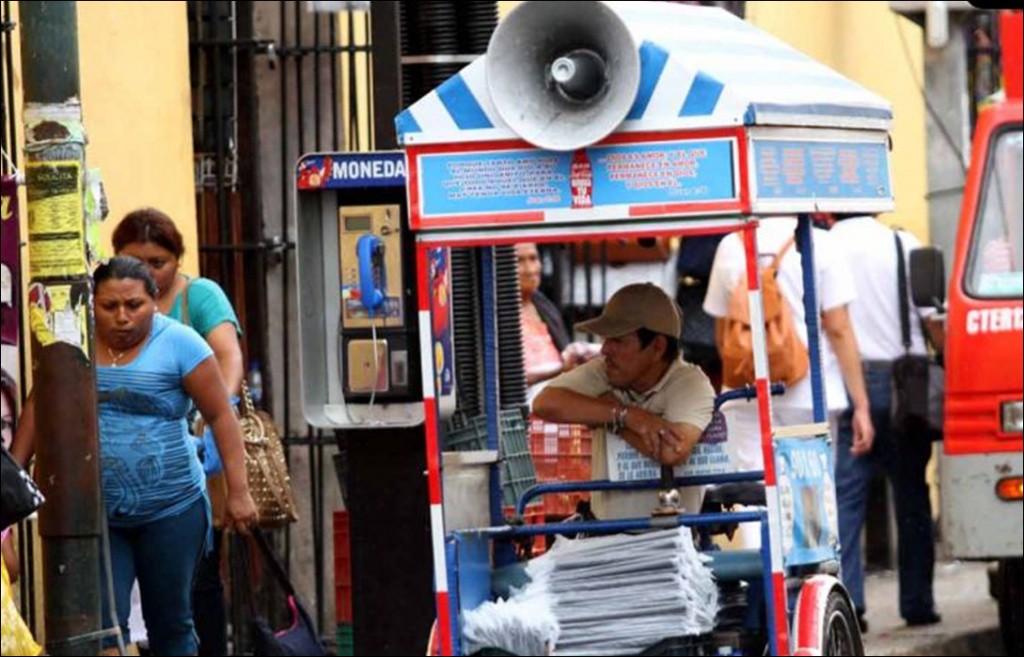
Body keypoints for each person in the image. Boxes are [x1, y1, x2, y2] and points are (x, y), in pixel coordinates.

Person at [14, 257, 258, 656]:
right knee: (105, 625)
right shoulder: (75, 343)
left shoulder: (182, 344)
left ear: (155, 301)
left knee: (171, 622)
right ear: (93, 304)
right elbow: (42, 404)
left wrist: (238, 491)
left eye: (134, 305)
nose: (122, 317)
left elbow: (221, 417)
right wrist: (14, 477)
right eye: (109, 307)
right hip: (99, 510)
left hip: (173, 509)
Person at [113, 208, 243, 656]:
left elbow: (229, 357)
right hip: (121, 485)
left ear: (177, 258)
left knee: (197, 577)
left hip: (192, 458)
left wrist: (212, 413)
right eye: (136, 259)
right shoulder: (112, 306)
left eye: (158, 261)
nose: (148, 271)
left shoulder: (198, 297)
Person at [702, 218, 875, 547]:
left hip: (745, 392)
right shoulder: (820, 243)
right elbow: (838, 327)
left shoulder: (731, 244)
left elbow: (722, 328)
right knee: (809, 493)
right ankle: (809, 581)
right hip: (811, 390)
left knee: (753, 489)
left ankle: (762, 583)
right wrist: (861, 404)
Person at [829, 215, 942, 630]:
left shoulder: (824, 246)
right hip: (904, 384)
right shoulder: (906, 244)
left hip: (846, 383)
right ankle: (918, 604)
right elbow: (934, 321)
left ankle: (850, 604)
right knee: (911, 496)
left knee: (846, 497)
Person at [532, 283, 716, 519]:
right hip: (606, 537)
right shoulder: (603, 370)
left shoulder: (690, 383)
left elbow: (672, 451)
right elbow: (545, 403)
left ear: (657, 347)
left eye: (619, 341)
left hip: (674, 541)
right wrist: (628, 416)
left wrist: (609, 419)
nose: (605, 350)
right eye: (606, 339)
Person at [516, 243, 597, 393]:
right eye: (519, 261)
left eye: (533, 259)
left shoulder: (543, 305)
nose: (530, 269)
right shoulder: (497, 315)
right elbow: (508, 381)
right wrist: (561, 369)